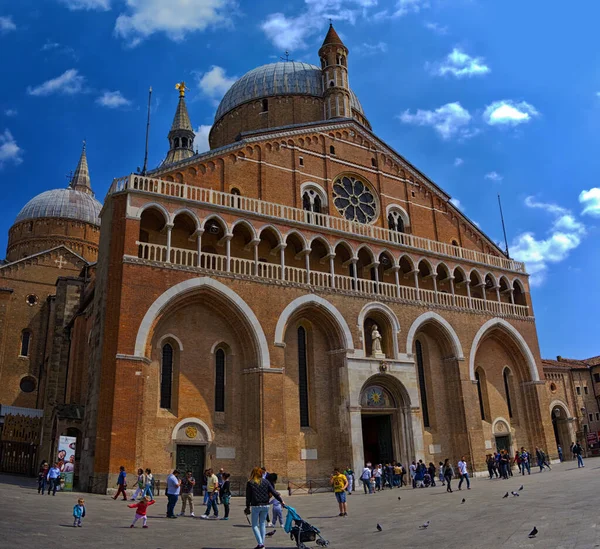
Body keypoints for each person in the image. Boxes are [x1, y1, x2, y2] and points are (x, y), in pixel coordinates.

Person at [245, 466, 286, 549]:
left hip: (256, 506)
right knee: (262, 524)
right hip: (266, 505)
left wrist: (247, 507)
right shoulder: (266, 482)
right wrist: (281, 501)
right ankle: (262, 544)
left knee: (254, 525)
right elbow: (274, 492)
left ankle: (260, 544)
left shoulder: (250, 483)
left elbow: (248, 497)